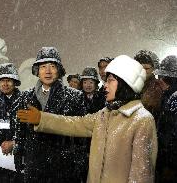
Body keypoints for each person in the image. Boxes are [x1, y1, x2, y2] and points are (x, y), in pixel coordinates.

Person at [18, 55, 157, 183]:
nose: (105, 85)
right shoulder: (104, 115)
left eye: (110, 81)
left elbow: (142, 174)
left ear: (125, 83)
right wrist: (41, 119)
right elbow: (74, 124)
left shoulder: (142, 120)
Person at [15, 47, 88, 183]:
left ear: (59, 70)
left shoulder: (75, 96)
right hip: (34, 167)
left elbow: (81, 134)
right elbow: (20, 131)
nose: (47, 71)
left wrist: (79, 163)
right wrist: (19, 157)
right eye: (43, 66)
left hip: (64, 167)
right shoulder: (25, 96)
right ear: (37, 71)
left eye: (52, 66)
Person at [154, 55, 177, 182]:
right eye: (159, 76)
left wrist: (171, 165)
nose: (160, 80)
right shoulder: (166, 96)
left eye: (165, 78)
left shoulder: (175, 98)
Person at [134, 50, 163, 119]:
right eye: (140, 68)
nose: (143, 71)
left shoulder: (157, 87)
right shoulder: (131, 85)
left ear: (154, 69)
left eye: (146, 68)